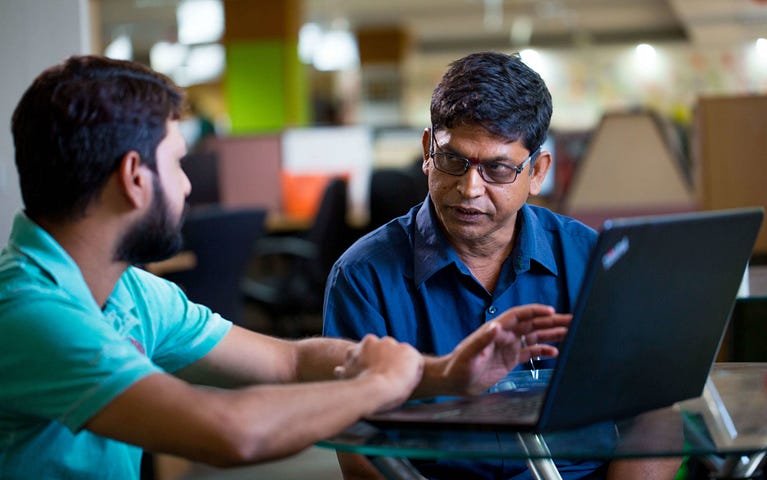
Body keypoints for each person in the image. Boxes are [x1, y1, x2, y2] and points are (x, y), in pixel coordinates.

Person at [0, 55, 572, 480]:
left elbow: (290, 358)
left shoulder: (130, 292)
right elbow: (231, 434)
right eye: (176, 163)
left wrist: (444, 373)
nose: (188, 183)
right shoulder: (31, 315)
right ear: (134, 178)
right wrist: (378, 386)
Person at [323, 52, 682, 479]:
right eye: (453, 160)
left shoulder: (594, 261)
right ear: (426, 151)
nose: (469, 188)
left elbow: (654, 413)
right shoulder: (363, 278)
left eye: (497, 169)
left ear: (537, 173)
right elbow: (358, 446)